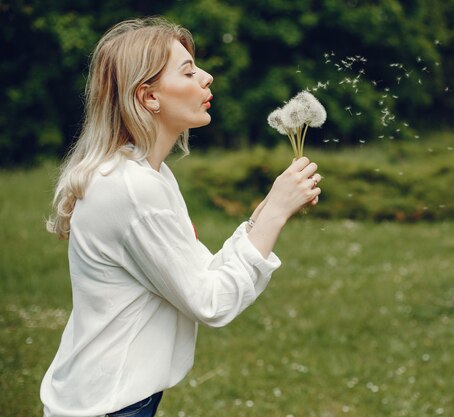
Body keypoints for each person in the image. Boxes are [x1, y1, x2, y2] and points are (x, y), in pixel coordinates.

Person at [41, 17, 322, 417]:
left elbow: (197, 274)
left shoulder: (147, 175)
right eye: (188, 71)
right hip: (107, 405)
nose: (206, 77)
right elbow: (211, 302)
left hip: (108, 398)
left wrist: (262, 219)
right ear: (149, 97)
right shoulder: (132, 189)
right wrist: (274, 211)